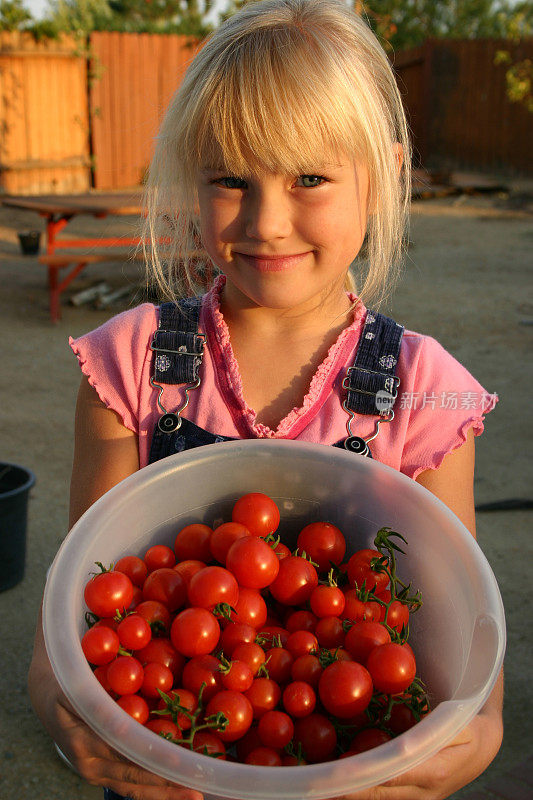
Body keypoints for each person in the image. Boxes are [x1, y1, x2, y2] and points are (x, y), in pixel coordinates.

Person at [28, 1, 503, 799]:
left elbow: (458, 638)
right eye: (228, 179)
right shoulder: (131, 364)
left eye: (309, 178)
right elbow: (79, 611)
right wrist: (62, 709)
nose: (266, 221)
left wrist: (476, 735)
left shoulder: (425, 392)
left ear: (384, 177)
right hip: (171, 749)